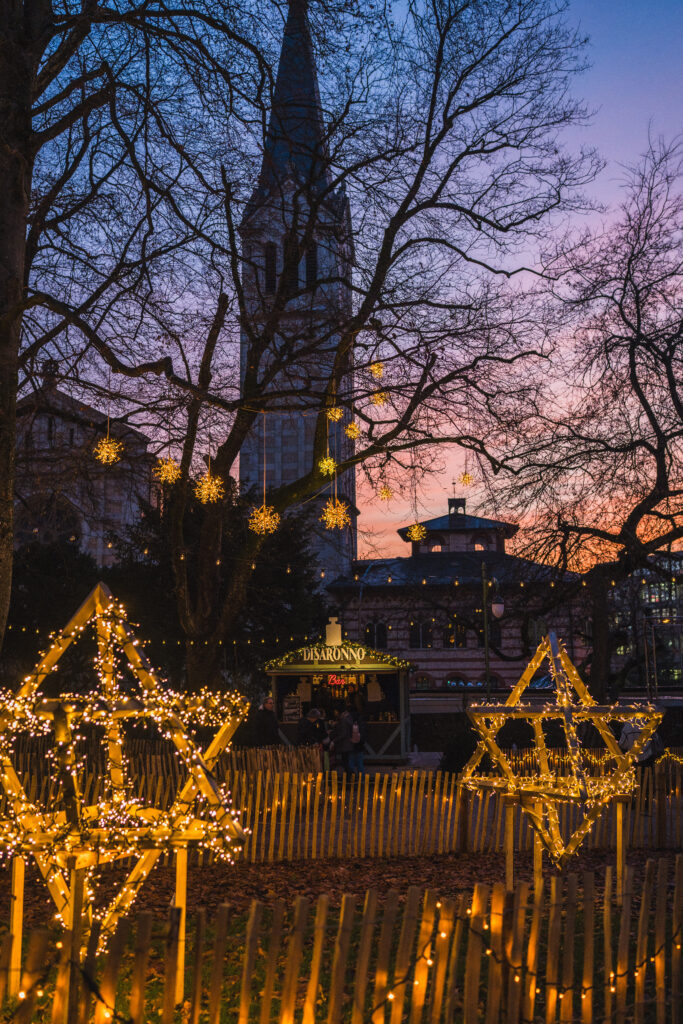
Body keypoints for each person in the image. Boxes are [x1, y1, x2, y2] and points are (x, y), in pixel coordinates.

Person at [332, 704, 353, 775]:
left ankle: (351, 777)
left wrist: (334, 740)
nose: (334, 713)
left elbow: (343, 733)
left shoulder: (343, 719)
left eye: (335, 711)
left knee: (345, 763)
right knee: (345, 762)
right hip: (347, 744)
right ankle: (350, 777)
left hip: (345, 744)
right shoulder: (347, 718)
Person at [348, 706, 367, 776]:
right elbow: (364, 733)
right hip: (360, 745)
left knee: (351, 763)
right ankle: (361, 780)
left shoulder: (349, 719)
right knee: (360, 764)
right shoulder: (361, 719)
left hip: (351, 744)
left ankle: (352, 779)